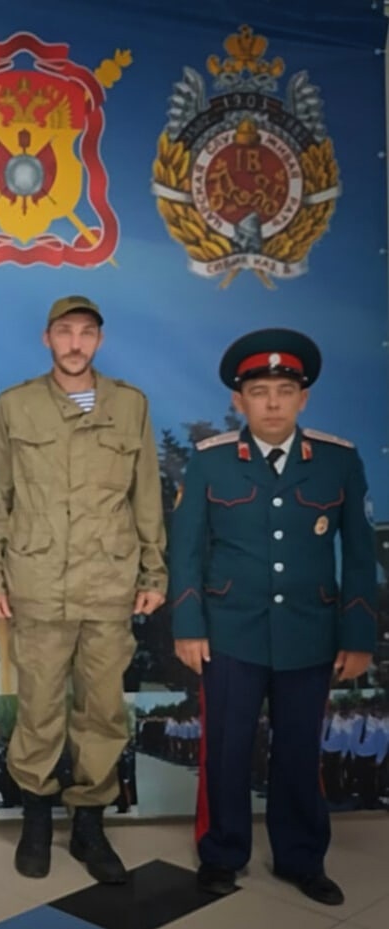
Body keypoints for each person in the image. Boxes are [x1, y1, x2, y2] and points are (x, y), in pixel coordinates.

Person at [170, 328, 377, 906]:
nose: (272, 404)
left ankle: (302, 858)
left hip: (310, 633)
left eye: (285, 391)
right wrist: (188, 625)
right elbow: (185, 552)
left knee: (299, 752)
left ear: (303, 398)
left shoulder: (338, 461)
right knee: (226, 749)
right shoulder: (211, 463)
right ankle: (222, 853)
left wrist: (359, 634)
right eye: (259, 392)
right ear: (239, 401)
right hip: (230, 633)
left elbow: (361, 556)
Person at [0, 295, 166, 884]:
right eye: (65, 332)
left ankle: (89, 826)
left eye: (86, 332)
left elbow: (145, 495)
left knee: (103, 711)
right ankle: (37, 820)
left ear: (99, 341)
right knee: (38, 708)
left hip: (108, 584)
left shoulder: (130, 406)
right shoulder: (16, 407)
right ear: (47, 339)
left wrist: (153, 572)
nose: (75, 343)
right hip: (37, 584)